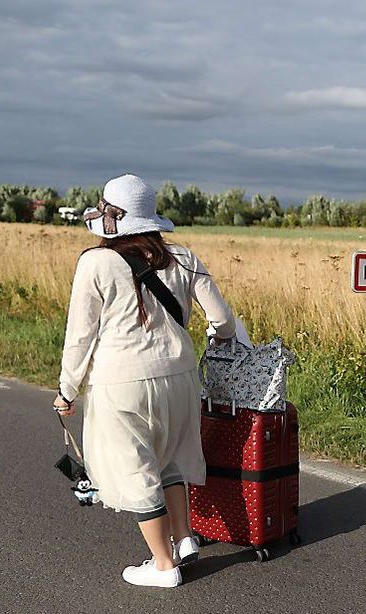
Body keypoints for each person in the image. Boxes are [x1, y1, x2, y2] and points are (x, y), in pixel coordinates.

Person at [53, 174, 235, 588]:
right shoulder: (184, 258)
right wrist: (214, 338)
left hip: (122, 383)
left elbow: (80, 335)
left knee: (137, 471)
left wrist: (67, 389)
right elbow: (222, 321)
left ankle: (164, 566)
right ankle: (185, 539)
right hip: (180, 377)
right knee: (169, 458)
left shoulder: (95, 263)